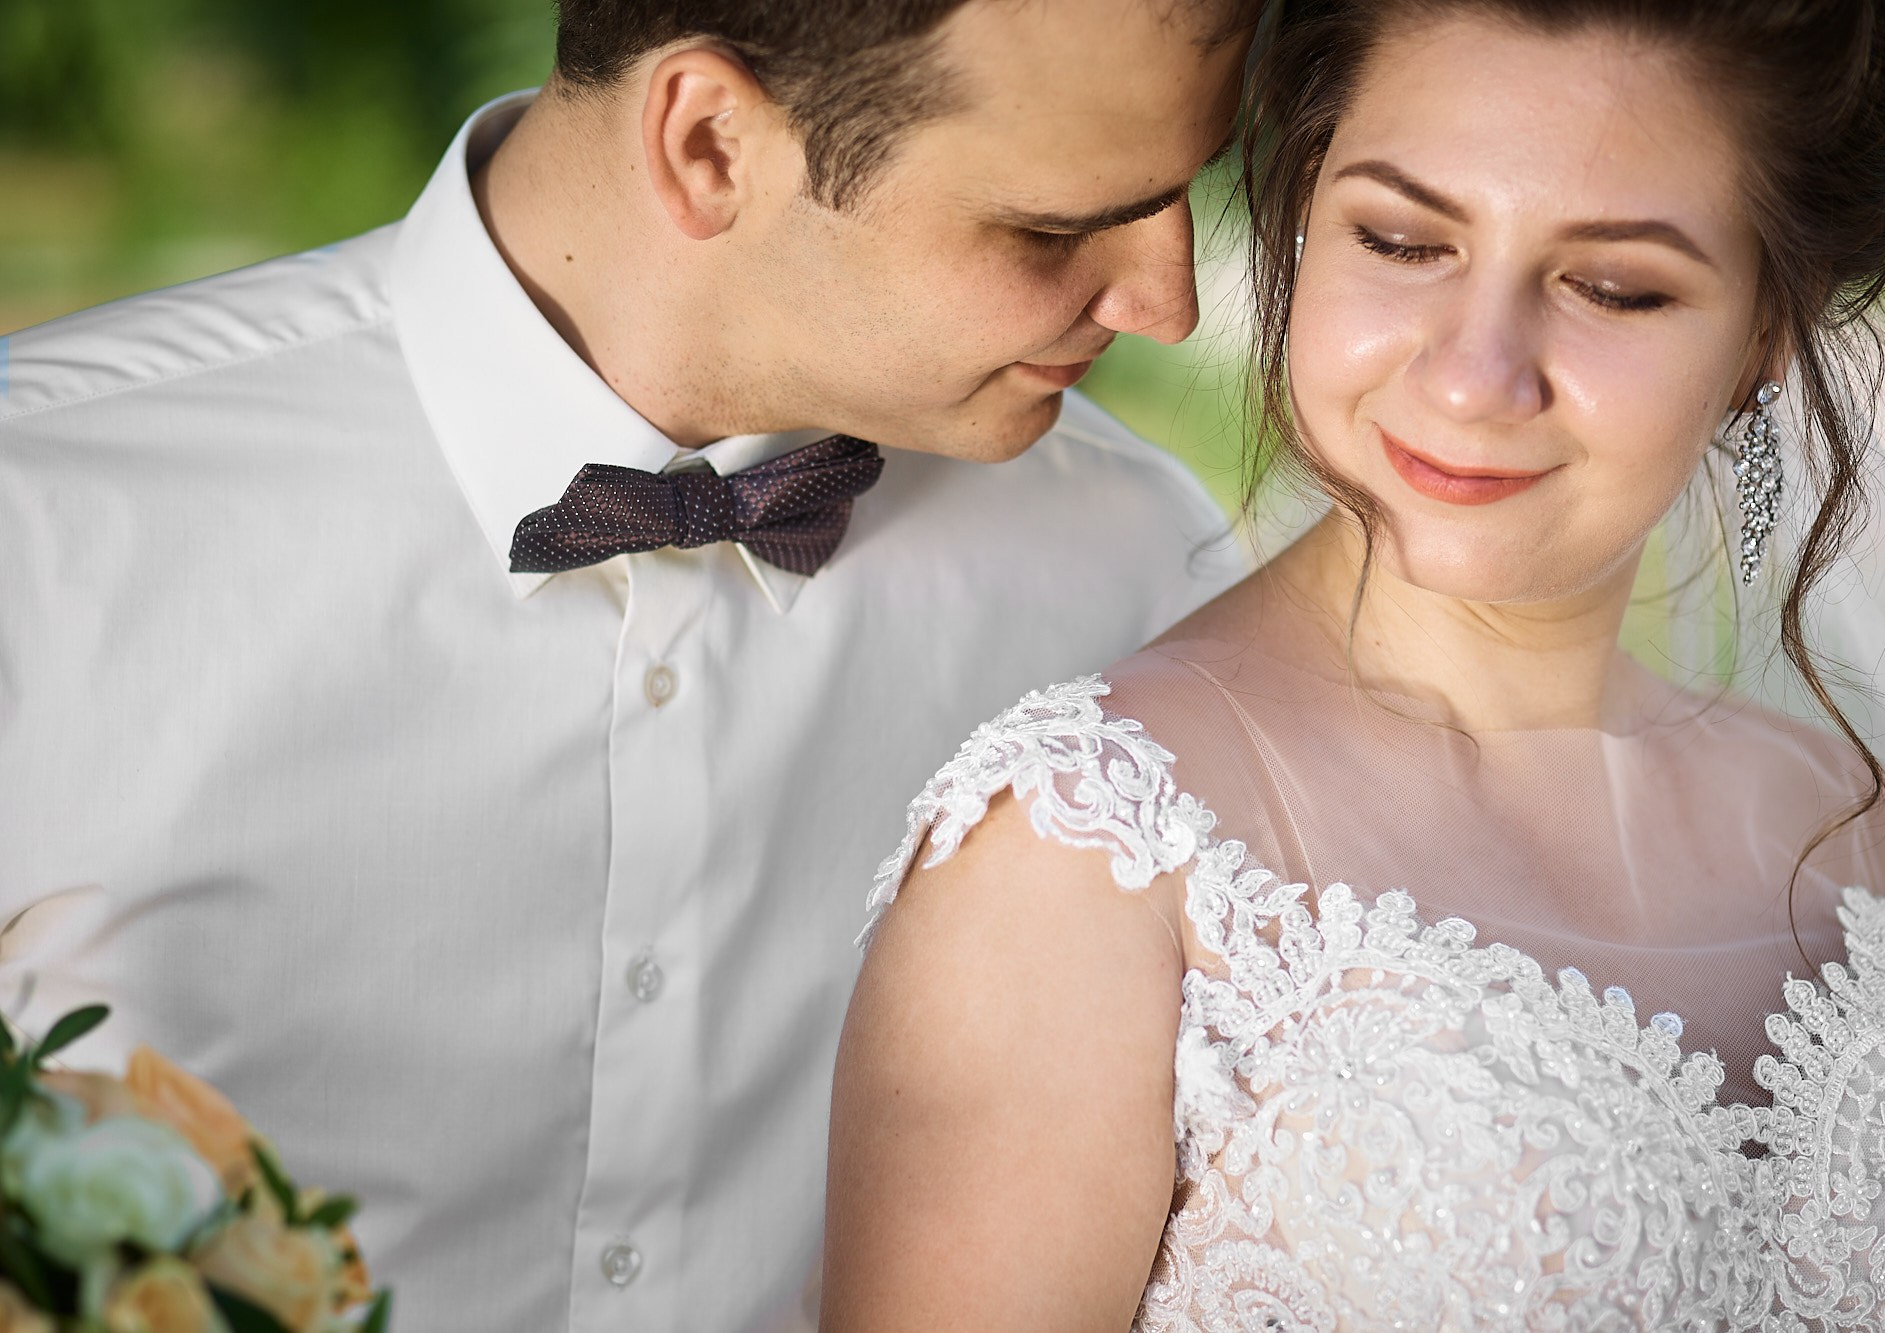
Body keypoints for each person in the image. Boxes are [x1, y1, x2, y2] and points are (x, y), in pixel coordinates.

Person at [0, 2, 1260, 1328]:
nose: (1166, 304)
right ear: (710, 142)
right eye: (1055, 227)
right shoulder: (40, 530)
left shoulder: (1138, 582)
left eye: (1181, 196)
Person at [827, 0, 1885, 1327]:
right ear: (1303, 223)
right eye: (1398, 239)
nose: (1473, 374)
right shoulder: (1086, 853)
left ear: (1766, 340)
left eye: (1614, 286)